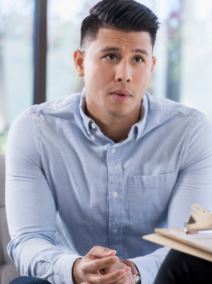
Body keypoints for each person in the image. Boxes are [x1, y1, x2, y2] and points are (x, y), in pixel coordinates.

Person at [6, 0, 212, 284]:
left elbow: (191, 245)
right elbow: (29, 240)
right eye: (111, 56)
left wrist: (131, 272)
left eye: (138, 59)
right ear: (80, 62)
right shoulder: (35, 130)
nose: (124, 74)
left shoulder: (189, 131)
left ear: (151, 67)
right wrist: (77, 269)